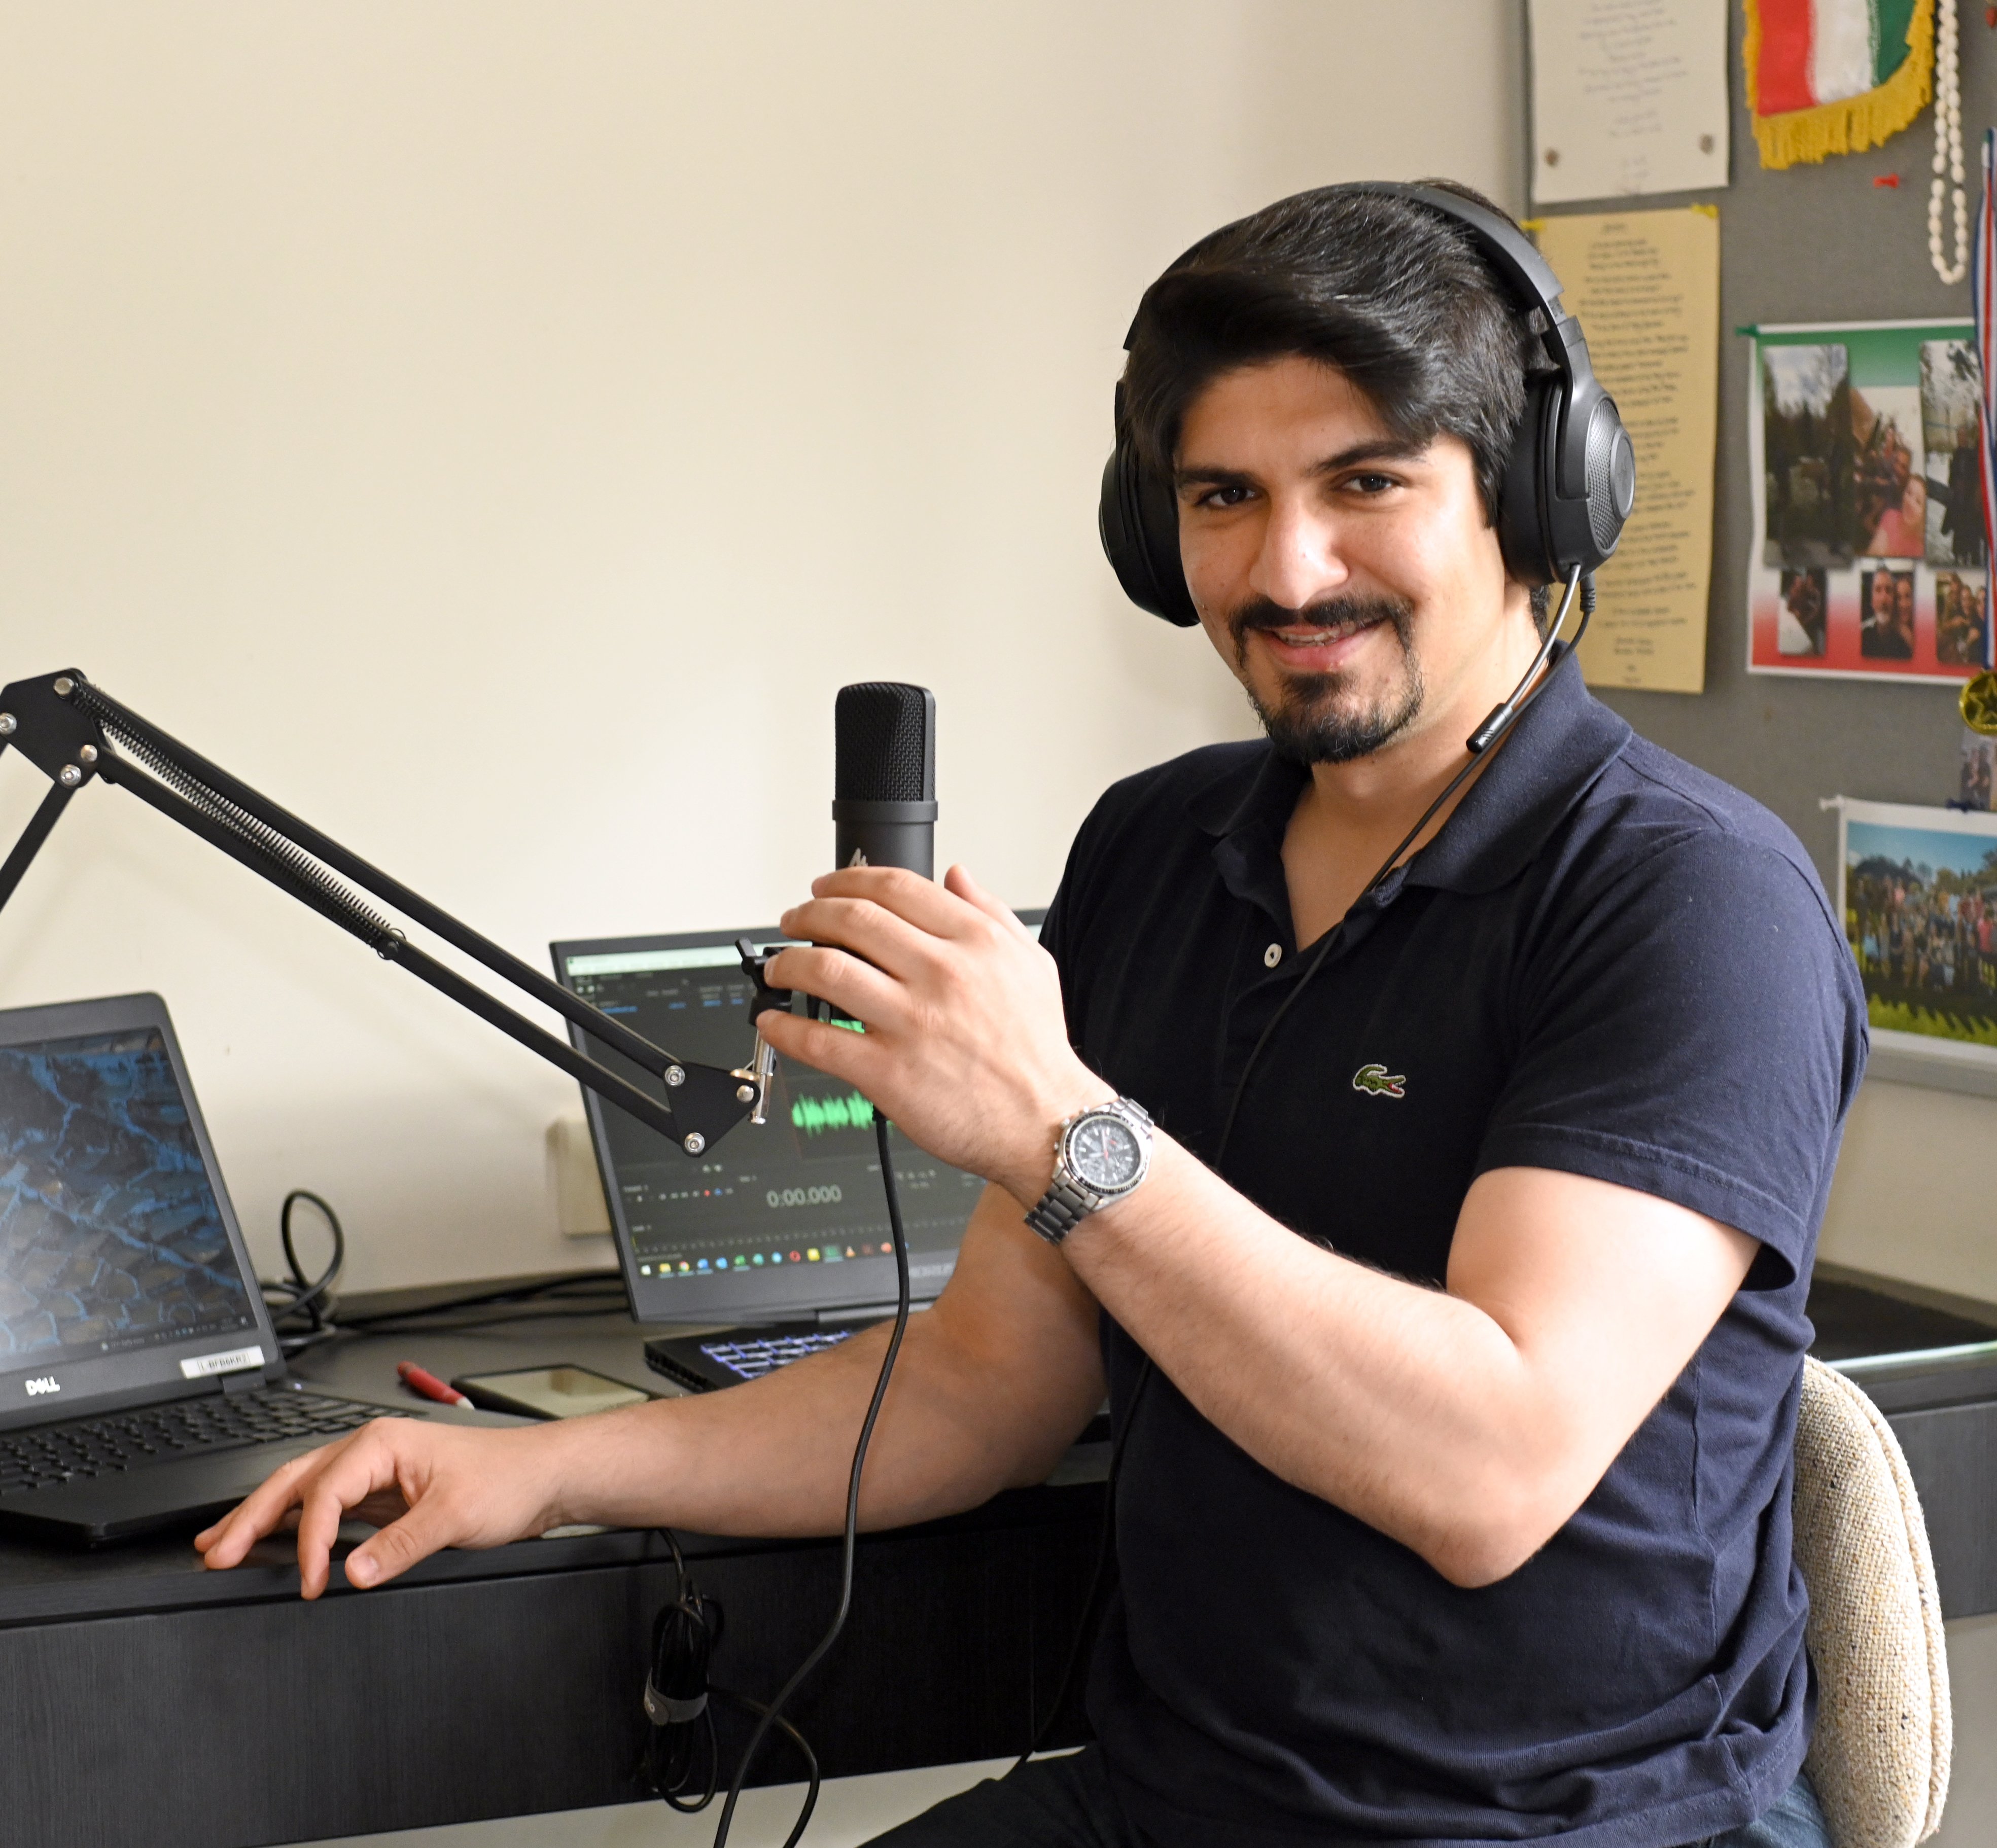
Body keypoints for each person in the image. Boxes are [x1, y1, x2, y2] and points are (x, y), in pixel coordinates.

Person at [197, 184, 1864, 1848]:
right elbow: (980, 1385)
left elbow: (1485, 1473)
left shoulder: (1687, 901)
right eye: (1224, 497)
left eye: (1366, 484)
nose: (1288, 569)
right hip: (1172, 1800)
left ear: (1527, 495)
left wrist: (1056, 1129)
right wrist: (548, 1468)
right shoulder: (1159, 845)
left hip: (1567, 1830)